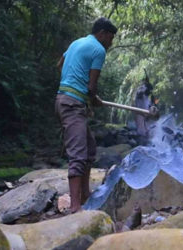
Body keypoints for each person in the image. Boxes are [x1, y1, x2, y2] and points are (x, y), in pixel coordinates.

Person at [55, 17, 117, 213]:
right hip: (73, 104)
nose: (111, 43)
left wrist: (72, 85)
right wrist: (93, 98)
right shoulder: (98, 50)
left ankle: (85, 194)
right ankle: (75, 207)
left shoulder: (76, 43)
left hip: (64, 100)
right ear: (102, 34)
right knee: (78, 154)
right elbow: (92, 85)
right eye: (111, 37)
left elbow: (60, 65)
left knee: (89, 149)